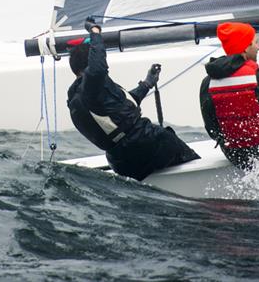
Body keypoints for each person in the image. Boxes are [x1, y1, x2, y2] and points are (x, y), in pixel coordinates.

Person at [67, 17, 200, 181]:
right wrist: (95, 32)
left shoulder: (81, 97)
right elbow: (98, 69)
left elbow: (120, 113)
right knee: (178, 147)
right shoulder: (90, 86)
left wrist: (147, 84)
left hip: (121, 161)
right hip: (146, 143)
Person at [199, 22, 259, 170]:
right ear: (245, 47)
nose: (258, 47)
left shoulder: (208, 83)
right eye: (255, 43)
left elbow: (212, 129)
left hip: (235, 156)